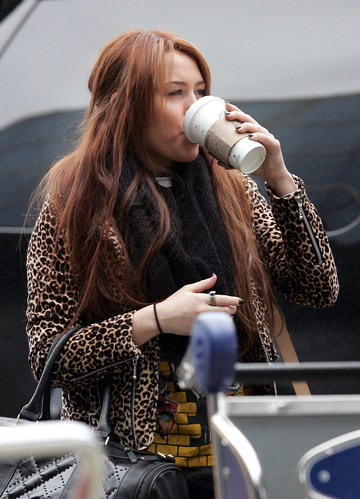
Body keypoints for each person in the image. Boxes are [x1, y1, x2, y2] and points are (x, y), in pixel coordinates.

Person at [26, 28, 339, 498]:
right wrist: (154, 320)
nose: (195, 107)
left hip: (241, 453)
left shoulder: (231, 188)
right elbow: (48, 354)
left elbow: (319, 287)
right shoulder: (77, 203)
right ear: (127, 106)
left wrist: (281, 182)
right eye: (175, 94)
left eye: (201, 92)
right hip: (137, 467)